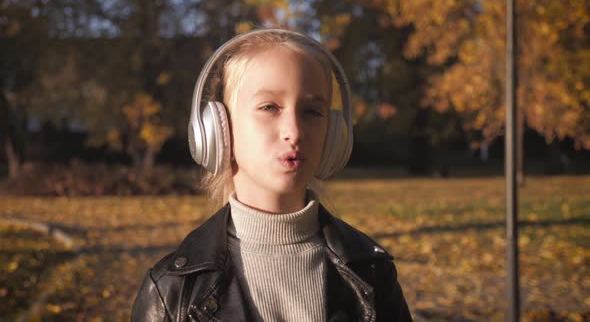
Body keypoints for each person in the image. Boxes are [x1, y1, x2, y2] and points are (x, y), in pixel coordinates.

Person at [131, 28, 412, 322]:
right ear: (218, 129)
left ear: (334, 135)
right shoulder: (171, 290)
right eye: (269, 107)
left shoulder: (371, 271)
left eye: (313, 112)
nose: (294, 131)